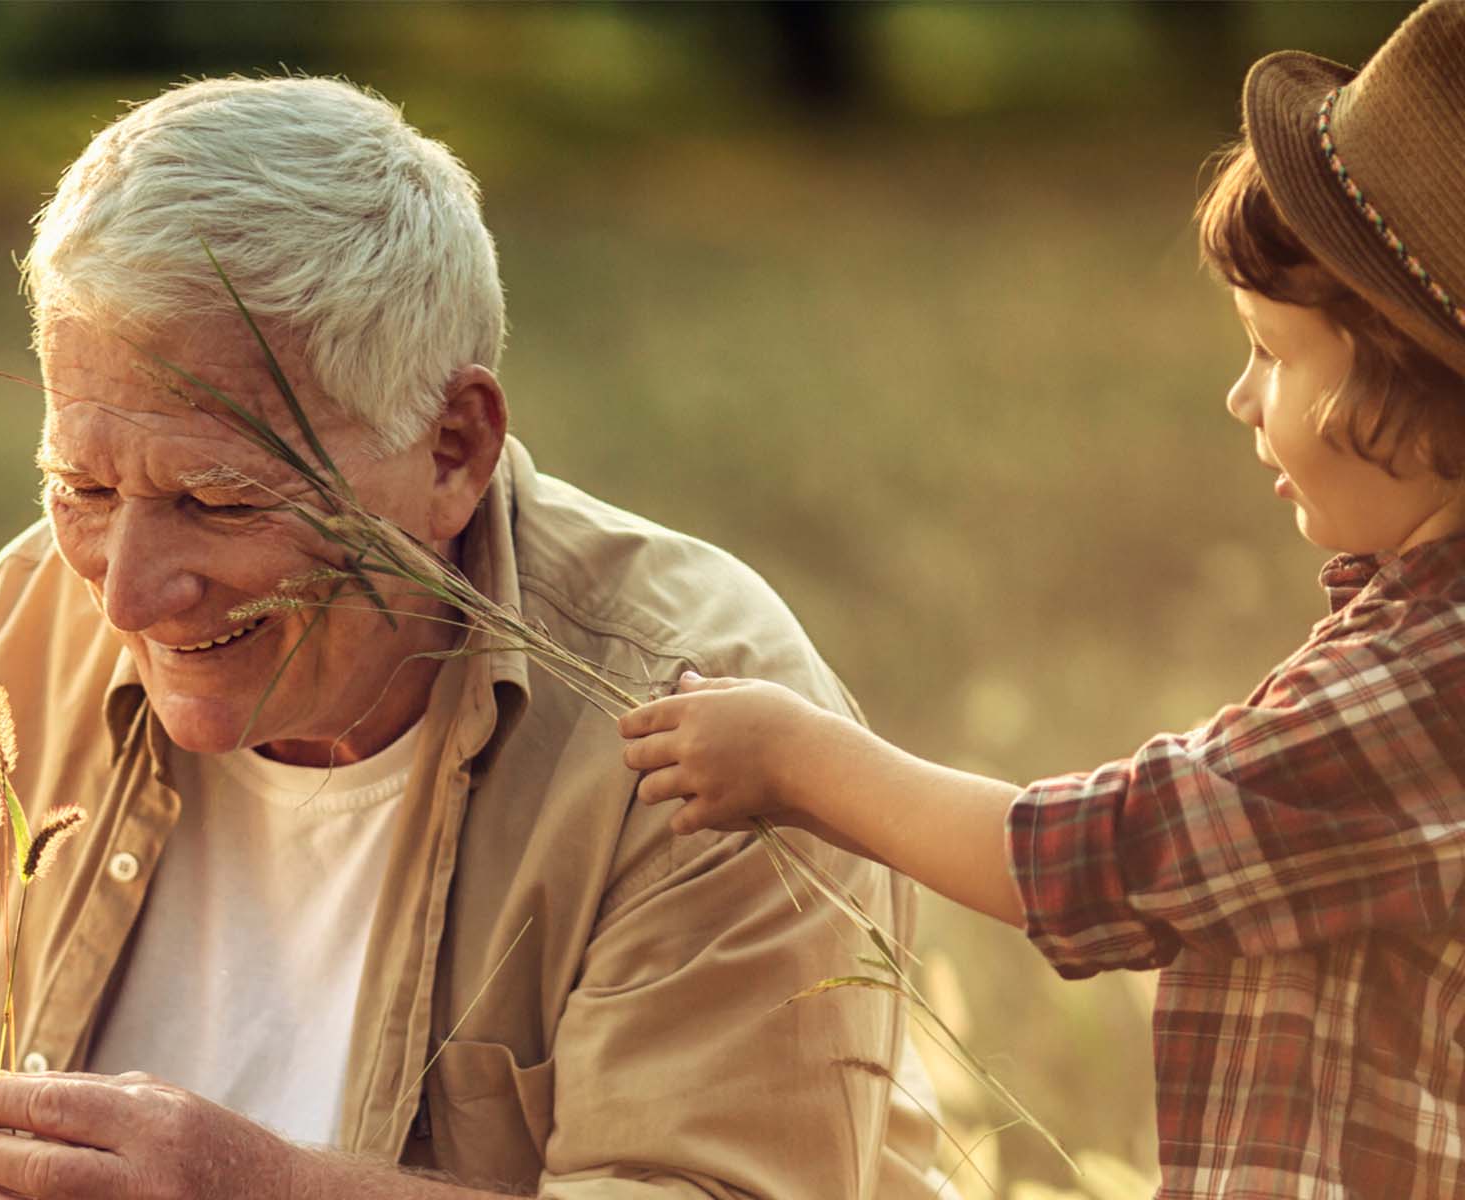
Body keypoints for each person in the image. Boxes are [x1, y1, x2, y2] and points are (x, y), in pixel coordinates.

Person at [0, 77, 940, 1198]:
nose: (126, 598)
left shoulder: (709, 732)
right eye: (80, 486)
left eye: (220, 500)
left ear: (452, 450)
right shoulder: (15, 635)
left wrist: (264, 1191)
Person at [621, 2, 1465, 1196]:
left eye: (1273, 352)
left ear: (1409, 385)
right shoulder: (1404, 631)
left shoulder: (1432, 682)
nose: (1240, 397)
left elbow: (1107, 857)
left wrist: (797, 760)